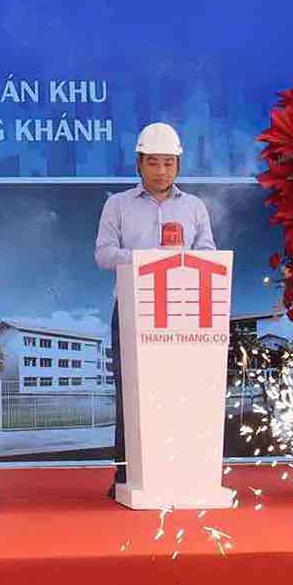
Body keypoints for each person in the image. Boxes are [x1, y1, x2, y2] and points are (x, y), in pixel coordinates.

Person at [93, 122, 215, 491]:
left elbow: (207, 253)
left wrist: (178, 259)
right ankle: (126, 475)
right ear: (139, 164)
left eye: (168, 163)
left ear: (178, 164)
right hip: (132, 309)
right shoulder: (118, 205)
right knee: (129, 392)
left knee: (180, 388)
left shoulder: (195, 207)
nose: (161, 171)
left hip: (182, 313)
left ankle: (180, 470)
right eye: (153, 163)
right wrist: (147, 259)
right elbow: (103, 255)